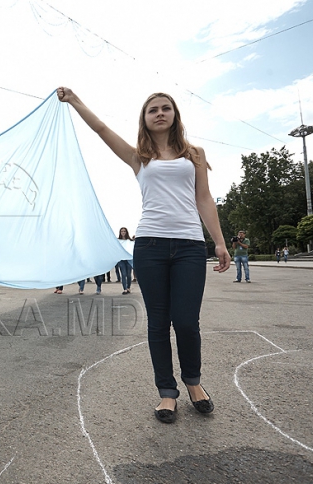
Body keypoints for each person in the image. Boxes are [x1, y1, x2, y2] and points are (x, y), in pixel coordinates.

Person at [57, 87, 231, 424]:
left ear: (175, 115)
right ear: (145, 118)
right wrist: (76, 100)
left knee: (185, 322)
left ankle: (193, 383)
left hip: (190, 247)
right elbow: (101, 130)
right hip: (150, 246)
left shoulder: (194, 154)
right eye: (153, 110)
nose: (160, 113)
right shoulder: (140, 157)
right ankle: (167, 392)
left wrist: (219, 242)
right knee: (158, 322)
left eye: (166, 108)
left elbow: (205, 199)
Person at [117, 227, 134, 294]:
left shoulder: (130, 241)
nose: (123, 232)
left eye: (124, 231)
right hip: (121, 259)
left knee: (128, 274)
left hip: (129, 259)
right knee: (123, 274)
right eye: (122, 231)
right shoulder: (118, 241)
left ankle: (128, 287)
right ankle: (125, 288)